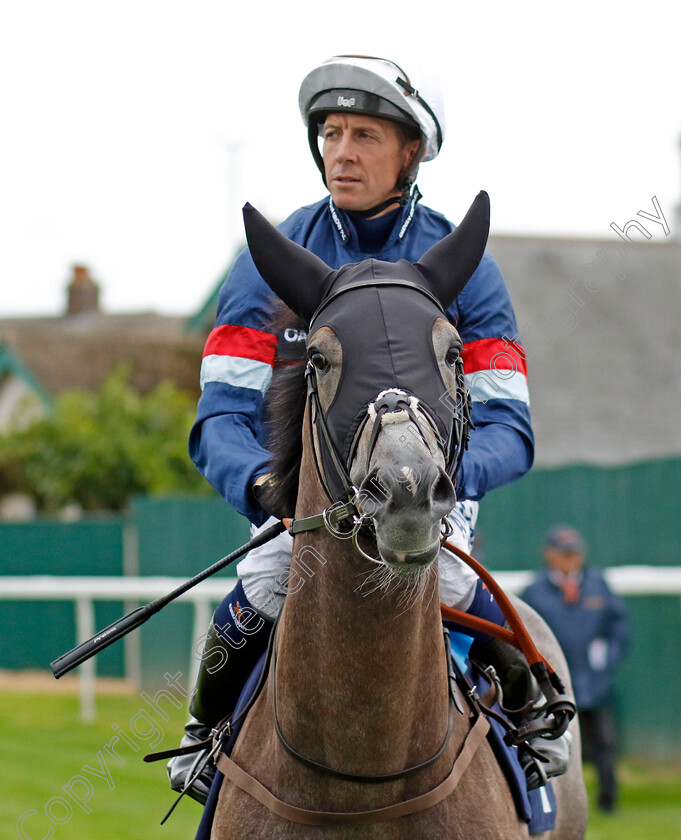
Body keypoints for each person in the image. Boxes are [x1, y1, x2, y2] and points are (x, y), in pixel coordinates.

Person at [170, 54, 565, 802]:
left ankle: (528, 728)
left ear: (410, 151)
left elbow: (508, 426)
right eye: (330, 133)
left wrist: (442, 483)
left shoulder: (466, 267)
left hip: (430, 501)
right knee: (262, 575)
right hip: (309, 507)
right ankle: (203, 736)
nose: (341, 153)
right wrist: (262, 485)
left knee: (446, 571)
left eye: (364, 136)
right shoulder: (267, 263)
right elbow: (221, 413)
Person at [521, 525, 630, 812]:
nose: (571, 558)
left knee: (604, 742)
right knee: (557, 743)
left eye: (576, 552)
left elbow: (619, 626)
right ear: (549, 555)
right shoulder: (534, 592)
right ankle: (562, 801)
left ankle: (609, 799)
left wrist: (606, 659)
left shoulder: (598, 584)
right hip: (553, 686)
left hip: (594, 683)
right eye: (564, 552)